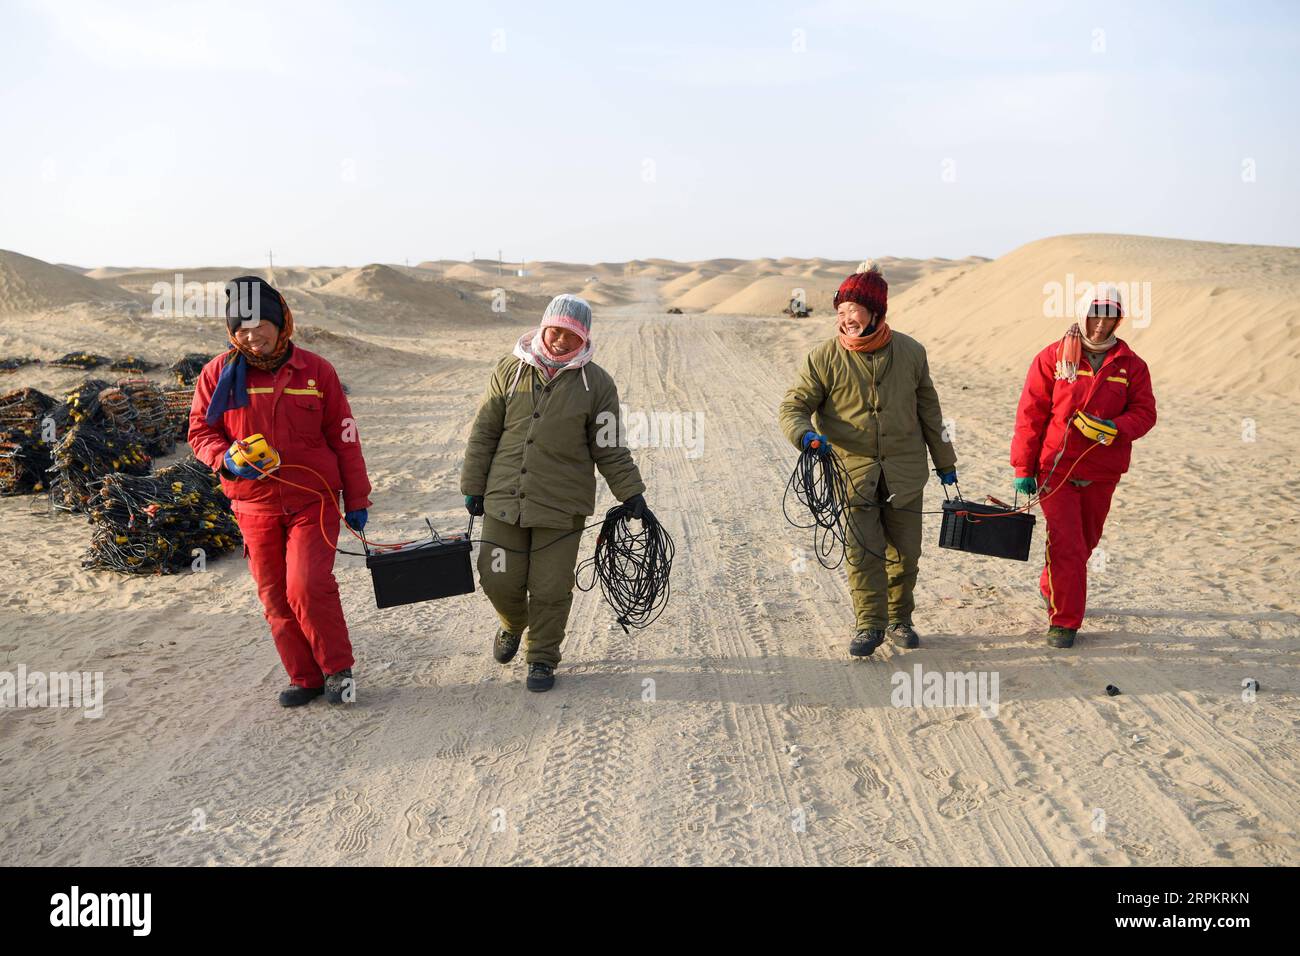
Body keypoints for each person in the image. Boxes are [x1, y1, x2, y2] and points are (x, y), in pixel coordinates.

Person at [189, 276, 372, 706]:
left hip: (314, 499)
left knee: (306, 585)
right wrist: (223, 457)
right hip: (253, 505)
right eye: (241, 330)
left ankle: (337, 670)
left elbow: (345, 438)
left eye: (259, 326)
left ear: (281, 322)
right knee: (274, 595)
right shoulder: (218, 373)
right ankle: (304, 677)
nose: (252, 337)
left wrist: (357, 498)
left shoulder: (316, 371)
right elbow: (200, 431)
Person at [461, 294, 649, 692]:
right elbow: (484, 433)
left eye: (573, 336)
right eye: (556, 331)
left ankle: (542, 658)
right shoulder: (510, 370)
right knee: (497, 577)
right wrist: (473, 486)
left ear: (585, 339)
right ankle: (512, 624)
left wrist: (631, 493)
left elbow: (609, 446)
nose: (562, 341)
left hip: (561, 507)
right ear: (543, 327)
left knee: (549, 587)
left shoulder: (596, 383)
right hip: (504, 499)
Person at [779, 260, 957, 657]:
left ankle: (899, 618)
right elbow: (793, 405)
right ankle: (869, 624)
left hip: (905, 473)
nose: (847, 320)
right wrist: (804, 435)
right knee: (862, 552)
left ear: (876, 312)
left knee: (906, 552)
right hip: (850, 473)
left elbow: (930, 412)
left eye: (854, 311)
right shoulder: (823, 357)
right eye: (840, 312)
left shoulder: (911, 352)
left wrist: (945, 463)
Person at [1011, 288, 1157, 647]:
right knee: (1068, 545)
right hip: (1054, 467)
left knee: (1086, 542)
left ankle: (1052, 585)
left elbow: (1145, 413)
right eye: (1095, 314)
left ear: (1118, 320)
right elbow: (1030, 416)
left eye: (1109, 316)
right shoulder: (1052, 358)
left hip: (1101, 471)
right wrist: (1023, 467)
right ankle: (1064, 622)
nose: (1100, 324)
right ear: (1082, 314)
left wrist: (1115, 428)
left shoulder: (1131, 365)